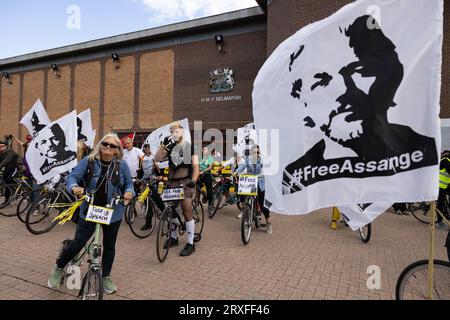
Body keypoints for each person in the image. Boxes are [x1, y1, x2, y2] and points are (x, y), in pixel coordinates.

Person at [282, 15, 438, 195]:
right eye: (323, 81)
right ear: (303, 110)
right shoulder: (294, 178)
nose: (347, 90)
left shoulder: (422, 150)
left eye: (355, 73)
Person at [47, 133, 134, 294]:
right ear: (100, 145)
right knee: (78, 243)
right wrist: (74, 187)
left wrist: (128, 193)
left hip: (112, 212)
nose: (107, 147)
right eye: (105, 144)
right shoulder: (89, 161)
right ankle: (59, 267)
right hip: (90, 210)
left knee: (109, 246)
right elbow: (72, 178)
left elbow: (129, 184)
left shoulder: (121, 165)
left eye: (112, 145)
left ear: (117, 150)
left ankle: (106, 276)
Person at [154, 121, 200, 256]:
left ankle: (191, 243)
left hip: (185, 182)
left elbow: (196, 166)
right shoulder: (170, 146)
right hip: (171, 182)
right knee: (170, 210)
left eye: (176, 130)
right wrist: (164, 145)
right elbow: (157, 158)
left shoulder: (190, 147)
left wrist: (194, 180)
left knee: (186, 210)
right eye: (171, 131)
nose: (174, 133)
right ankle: (173, 237)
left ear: (182, 131)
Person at [236, 145, 272, 234]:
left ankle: (268, 223)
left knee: (263, 206)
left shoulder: (263, 160)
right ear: (251, 153)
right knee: (245, 199)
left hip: (260, 183)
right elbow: (242, 166)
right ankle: (246, 213)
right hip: (250, 182)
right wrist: (235, 172)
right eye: (254, 152)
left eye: (257, 152)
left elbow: (268, 167)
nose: (256, 154)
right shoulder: (248, 159)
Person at [138, 143, 165, 231]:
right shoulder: (142, 158)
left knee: (157, 200)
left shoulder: (155, 157)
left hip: (155, 181)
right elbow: (141, 171)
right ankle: (148, 223)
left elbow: (160, 169)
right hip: (145, 182)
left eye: (148, 147)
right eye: (145, 147)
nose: (147, 148)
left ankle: (167, 216)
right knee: (147, 203)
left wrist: (159, 176)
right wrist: (139, 179)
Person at [0, 140, 19, 204]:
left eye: (3, 146)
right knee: (6, 184)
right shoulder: (1, 153)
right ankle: (7, 200)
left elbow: (7, 160)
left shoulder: (10, 151)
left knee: (9, 179)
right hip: (7, 169)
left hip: (14, 168)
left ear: (6, 146)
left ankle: (18, 187)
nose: (1, 147)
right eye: (0, 146)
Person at [198, 145, 215, 215]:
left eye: (207, 150)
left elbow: (210, 167)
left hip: (207, 175)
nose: (206, 151)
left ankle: (210, 207)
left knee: (210, 191)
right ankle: (197, 203)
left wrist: (203, 171)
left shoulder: (210, 158)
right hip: (200, 175)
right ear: (202, 150)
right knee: (197, 188)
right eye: (205, 149)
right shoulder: (200, 158)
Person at [437, 155, 450, 229]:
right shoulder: (446, 160)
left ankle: (446, 213)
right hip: (439, 185)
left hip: (445, 186)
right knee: (440, 204)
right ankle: (439, 222)